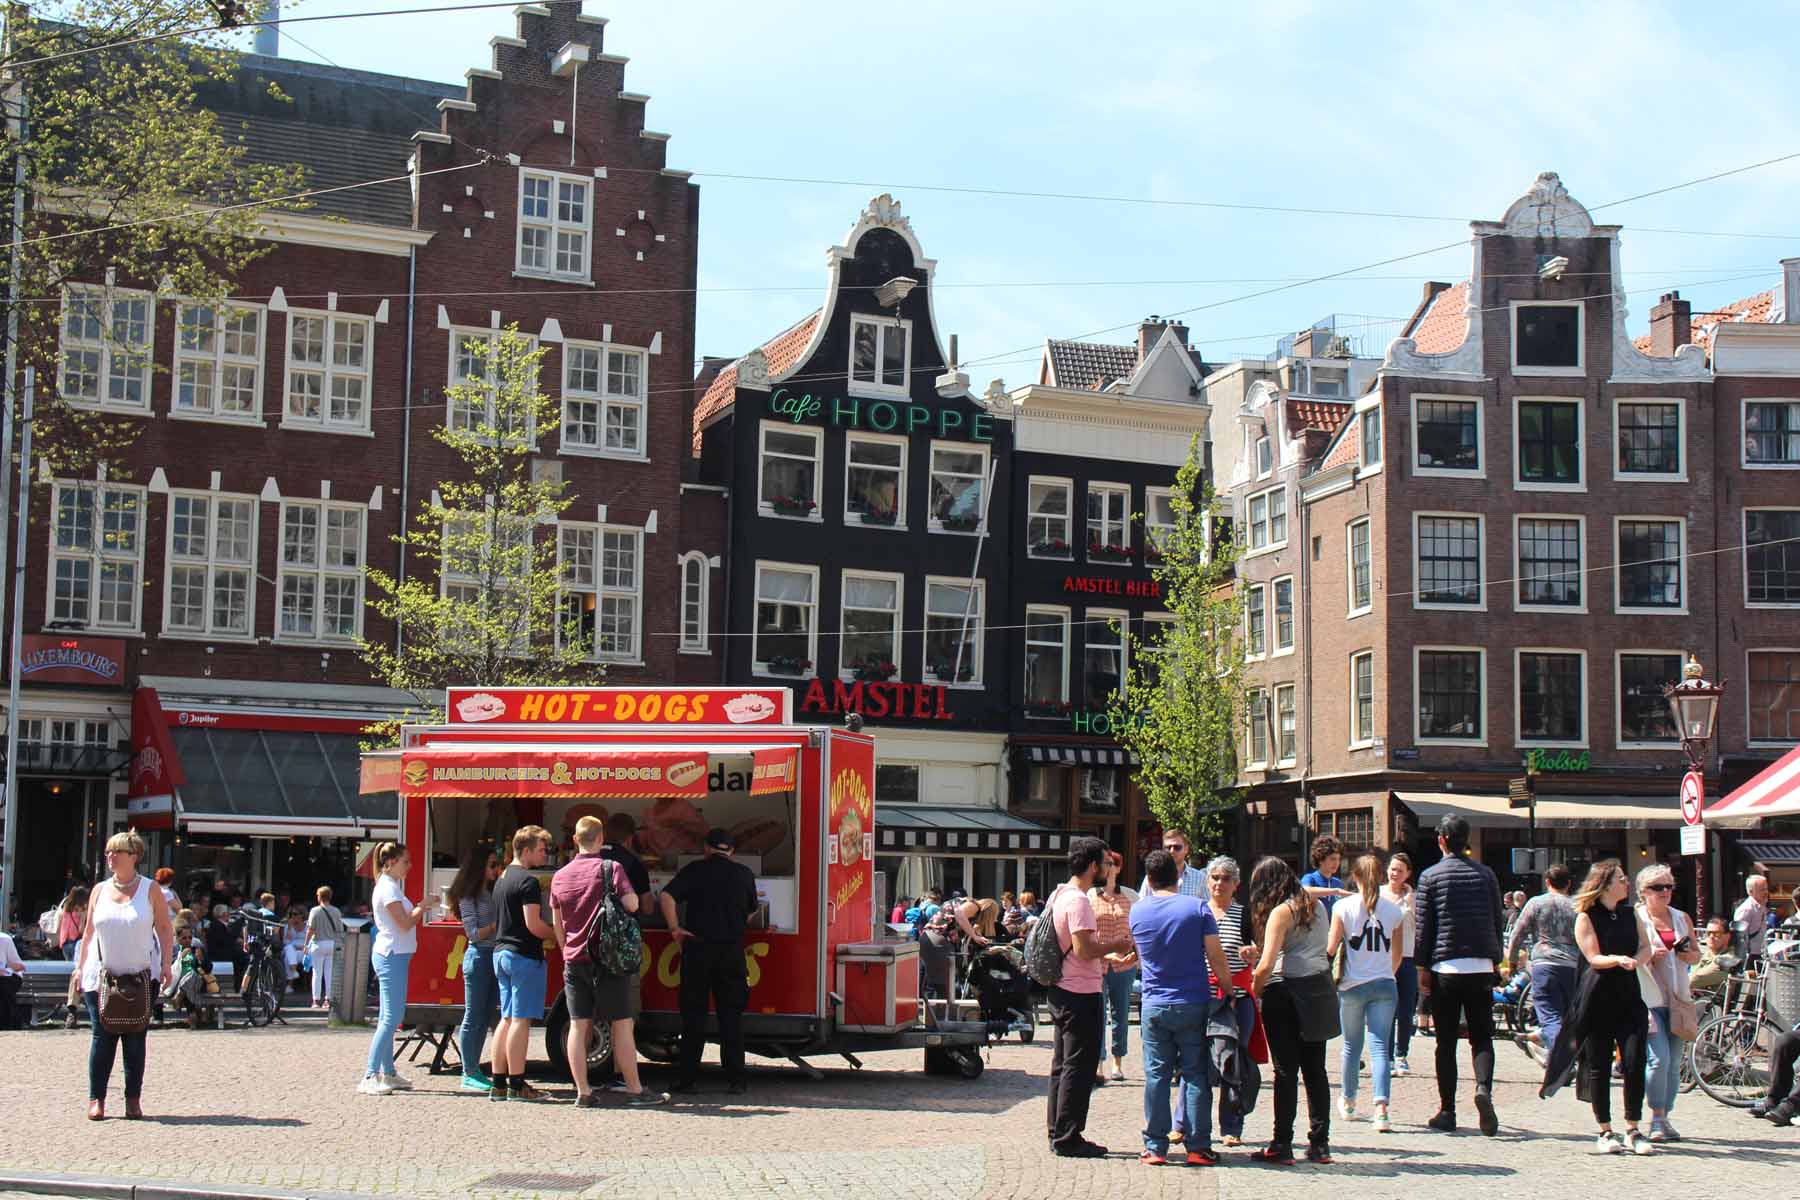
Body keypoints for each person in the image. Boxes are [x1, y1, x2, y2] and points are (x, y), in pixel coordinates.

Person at [551, 815, 669, 1108]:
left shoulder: (560, 875)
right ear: (601, 839)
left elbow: (557, 922)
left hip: (574, 959)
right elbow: (633, 904)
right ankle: (634, 1089)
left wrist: (568, 949)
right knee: (622, 1023)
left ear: (575, 840)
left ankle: (583, 1091)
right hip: (608, 958)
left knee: (578, 1025)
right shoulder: (611, 868)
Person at [1131, 848, 1235, 1167]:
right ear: (1178, 875)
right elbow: (1216, 957)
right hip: (1193, 1000)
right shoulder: (1197, 908)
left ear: (1149, 879)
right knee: (1194, 1074)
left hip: (1154, 1004)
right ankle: (1198, 1146)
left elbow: (1139, 952)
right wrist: (1229, 990)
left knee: (1157, 1076)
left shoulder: (1137, 911)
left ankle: (1155, 1147)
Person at [1553, 860, 1654, 1155]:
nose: (1627, 883)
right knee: (1598, 1063)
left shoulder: (1630, 913)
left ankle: (1634, 1128)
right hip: (1598, 995)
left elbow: (1646, 946)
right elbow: (1593, 957)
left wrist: (1639, 959)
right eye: (1622, 879)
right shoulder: (1586, 916)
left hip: (1629, 994)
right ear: (1607, 884)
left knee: (1635, 1060)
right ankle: (1605, 1130)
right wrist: (1617, 960)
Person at [1043, 836, 1134, 1158]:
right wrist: (1116, 946)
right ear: (1094, 865)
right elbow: (1083, 950)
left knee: (1062, 1065)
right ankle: (1069, 1137)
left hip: (1062, 987)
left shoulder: (1059, 893)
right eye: (1106, 863)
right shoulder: (1080, 901)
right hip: (1080, 992)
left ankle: (1057, 1131)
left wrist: (1108, 959)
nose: (1107, 868)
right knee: (1078, 1068)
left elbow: (1072, 948)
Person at [1415, 814, 1504, 1137]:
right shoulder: (1486, 875)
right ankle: (1483, 1088)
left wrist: (1422, 968)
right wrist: (1497, 960)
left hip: (1446, 967)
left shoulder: (1431, 877)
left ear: (1441, 840)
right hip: (1480, 965)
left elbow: (1425, 928)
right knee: (1482, 1037)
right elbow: (1497, 919)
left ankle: (1448, 1109)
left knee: (1446, 1041)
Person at [76, 830, 174, 1120]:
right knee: (102, 1036)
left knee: (135, 1037)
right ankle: (97, 1099)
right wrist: (80, 968)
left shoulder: (150, 889)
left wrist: (167, 964)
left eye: (115, 852)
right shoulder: (99, 890)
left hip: (141, 975)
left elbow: (165, 929)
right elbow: (88, 933)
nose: (110, 857)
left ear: (133, 857)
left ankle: (133, 1099)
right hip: (102, 974)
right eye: (107, 852)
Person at [1250, 855, 1337, 1165]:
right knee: (1316, 1070)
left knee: (1286, 1071)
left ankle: (1281, 1142)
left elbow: (1267, 964)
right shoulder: (1316, 906)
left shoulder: (1281, 912)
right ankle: (1320, 1143)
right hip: (1319, 988)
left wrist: (1254, 992)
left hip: (1286, 991)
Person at [660, 827, 761, 1095]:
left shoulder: (695, 870)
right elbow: (752, 910)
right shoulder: (744, 874)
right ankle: (736, 1080)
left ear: (706, 848)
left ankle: (687, 1079)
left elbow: (666, 896)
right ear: (732, 851)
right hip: (731, 951)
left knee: (694, 1017)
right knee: (731, 1017)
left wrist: (674, 929)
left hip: (697, 949)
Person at [1329, 853, 1404, 1132]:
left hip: (1352, 984)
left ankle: (1349, 1101)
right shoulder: (1394, 910)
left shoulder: (1343, 907)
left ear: (1356, 877)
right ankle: (1381, 1109)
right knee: (1380, 1048)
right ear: (1382, 876)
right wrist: (1385, 971)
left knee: (1351, 1046)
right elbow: (1397, 955)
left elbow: (1331, 946)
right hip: (1384, 983)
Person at [1193, 855, 1257, 1148]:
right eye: (1215, 878)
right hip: (1204, 998)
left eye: (1226, 879)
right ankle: (1191, 1124)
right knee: (1198, 1063)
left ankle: (1232, 1126)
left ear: (1236, 884)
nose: (1219, 883)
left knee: (1235, 1063)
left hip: (1237, 999)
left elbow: (1257, 946)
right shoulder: (1198, 912)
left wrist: (1251, 953)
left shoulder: (1245, 915)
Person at [490, 826, 556, 1103]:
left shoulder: (502, 879)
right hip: (523, 955)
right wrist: (557, 935)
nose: (545, 854)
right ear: (526, 850)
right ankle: (517, 1083)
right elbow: (534, 925)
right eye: (542, 849)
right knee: (520, 1019)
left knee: (505, 1019)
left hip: (500, 952)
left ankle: (498, 1083)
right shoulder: (527, 882)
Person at [359, 842, 428, 1097]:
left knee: (389, 1016)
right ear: (390, 862)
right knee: (391, 1017)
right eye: (405, 861)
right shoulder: (388, 889)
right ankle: (370, 1074)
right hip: (392, 955)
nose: (409, 866)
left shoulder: (390, 887)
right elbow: (404, 924)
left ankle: (387, 1071)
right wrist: (423, 906)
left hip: (394, 954)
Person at [1636, 863, 1698, 1143]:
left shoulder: (1681, 918)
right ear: (1643, 892)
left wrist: (1688, 956)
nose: (1665, 892)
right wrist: (1648, 956)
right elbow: (1629, 957)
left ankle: (1666, 1116)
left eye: (1669, 886)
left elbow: (1696, 954)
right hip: (1647, 999)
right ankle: (1656, 1117)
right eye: (1658, 887)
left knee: (1674, 1064)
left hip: (1679, 999)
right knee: (1658, 1060)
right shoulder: (1636, 918)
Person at [1505, 863, 1579, 1062]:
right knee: (1567, 1016)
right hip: (1572, 965)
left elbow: (1517, 934)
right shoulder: (1577, 906)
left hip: (1544, 963)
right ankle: (1558, 1054)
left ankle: (1561, 1062)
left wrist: (1512, 961)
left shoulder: (1536, 903)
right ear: (1569, 884)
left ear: (1547, 882)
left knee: (1549, 1013)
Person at [446, 844, 501, 1093]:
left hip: (492, 956)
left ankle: (475, 1068)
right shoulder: (468, 896)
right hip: (478, 957)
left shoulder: (489, 892)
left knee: (485, 1015)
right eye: (491, 864)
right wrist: (496, 926)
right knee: (473, 1016)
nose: (495, 869)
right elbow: (473, 934)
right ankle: (468, 1071)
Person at [1088, 850, 1137, 1083]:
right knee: (1098, 1014)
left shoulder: (1131, 896)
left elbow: (1139, 929)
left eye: (1113, 864)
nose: (1109, 868)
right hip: (1097, 963)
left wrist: (1135, 955)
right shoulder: (1090, 895)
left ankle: (1118, 1061)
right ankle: (1097, 1063)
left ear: (1118, 868)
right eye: (1105, 864)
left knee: (1121, 1013)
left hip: (1124, 964)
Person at [1380, 853, 1418, 1076]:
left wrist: (1410, 902)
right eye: (1393, 869)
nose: (1395, 874)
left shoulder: (1412, 897)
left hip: (1407, 956)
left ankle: (1401, 1054)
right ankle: (1386, 1056)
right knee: (1387, 1009)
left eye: (1400, 870)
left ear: (1408, 874)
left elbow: (1417, 926)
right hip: (1383, 956)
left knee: (1406, 1009)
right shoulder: (1379, 894)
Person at [304, 886, 346, 1011]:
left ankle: (316, 1000)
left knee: (317, 973)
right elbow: (340, 930)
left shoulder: (314, 911)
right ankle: (328, 999)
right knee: (329, 973)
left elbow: (311, 929)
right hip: (332, 944)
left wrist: (306, 944)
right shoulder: (337, 911)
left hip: (318, 943)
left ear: (319, 897)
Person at [1139, 828, 1205, 897]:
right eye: (1168, 848)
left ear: (1186, 849)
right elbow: (1142, 903)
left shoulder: (1200, 878)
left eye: (1177, 847)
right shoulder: (1153, 876)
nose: (1172, 851)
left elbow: (1208, 905)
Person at [1300, 835, 1351, 912]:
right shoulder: (1310, 878)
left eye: (1338, 859)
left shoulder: (1338, 883)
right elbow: (1305, 891)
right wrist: (1335, 891)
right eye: (1332, 859)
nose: (1337, 863)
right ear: (1320, 859)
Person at [205, 903, 246, 991]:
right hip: (219, 954)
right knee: (244, 958)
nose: (229, 915)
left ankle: (239, 984)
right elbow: (226, 941)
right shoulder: (216, 925)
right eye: (228, 913)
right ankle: (240, 985)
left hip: (225, 952)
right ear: (224, 914)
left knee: (242, 955)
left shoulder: (220, 925)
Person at [1689, 916, 1733, 993]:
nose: (1711, 937)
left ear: (1727, 937)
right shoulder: (1707, 953)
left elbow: (1693, 980)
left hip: (1711, 1002)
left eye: (1717, 934)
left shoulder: (1728, 959)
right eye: (1708, 933)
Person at [1737, 875, 1771, 961]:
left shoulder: (1761, 906)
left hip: (1762, 954)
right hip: (1749, 956)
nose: (1766, 892)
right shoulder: (1746, 909)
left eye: (1766, 889)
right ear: (1751, 892)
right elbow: (1738, 937)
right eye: (1762, 890)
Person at [0, 924, 24, 1030]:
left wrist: (7, 968)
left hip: (9, 977)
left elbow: (19, 967)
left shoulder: (5, 939)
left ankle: (7, 1023)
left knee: (4, 985)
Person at [58, 885, 89, 959]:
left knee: (68, 966)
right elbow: (81, 930)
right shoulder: (82, 911)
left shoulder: (66, 908)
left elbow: (60, 926)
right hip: (75, 942)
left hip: (64, 943)